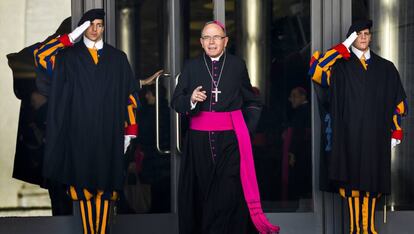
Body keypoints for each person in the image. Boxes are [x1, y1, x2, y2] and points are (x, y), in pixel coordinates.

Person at [34, 9, 139, 234]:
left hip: (108, 134)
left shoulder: (117, 58)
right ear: (82, 28)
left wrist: (130, 131)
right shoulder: (67, 57)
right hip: (77, 134)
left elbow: (129, 96)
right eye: (89, 25)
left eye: (99, 25)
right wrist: (71, 37)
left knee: (105, 188)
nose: (94, 29)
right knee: (83, 188)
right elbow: (41, 56)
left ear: (104, 28)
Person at [172, 20, 280, 234]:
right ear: (201, 42)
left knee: (227, 194)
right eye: (207, 38)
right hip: (198, 144)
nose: (212, 42)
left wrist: (245, 131)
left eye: (216, 37)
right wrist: (191, 99)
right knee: (202, 195)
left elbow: (252, 101)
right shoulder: (191, 67)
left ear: (225, 41)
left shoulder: (236, 65)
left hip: (230, 142)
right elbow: (176, 101)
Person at [309, 19, 407, 234]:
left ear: (371, 37)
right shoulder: (339, 66)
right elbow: (316, 71)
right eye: (357, 34)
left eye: (366, 33)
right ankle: (355, 229)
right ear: (351, 38)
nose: (363, 37)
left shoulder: (385, 68)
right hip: (347, 136)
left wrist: (395, 129)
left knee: (372, 182)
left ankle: (368, 228)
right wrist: (343, 47)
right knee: (351, 182)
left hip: (375, 135)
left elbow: (397, 101)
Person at [281, 87, 311, 201]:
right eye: (290, 96)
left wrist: (293, 153)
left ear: (303, 97)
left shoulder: (305, 110)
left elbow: (299, 134)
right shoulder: (300, 111)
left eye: (294, 96)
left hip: (302, 153)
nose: (291, 99)